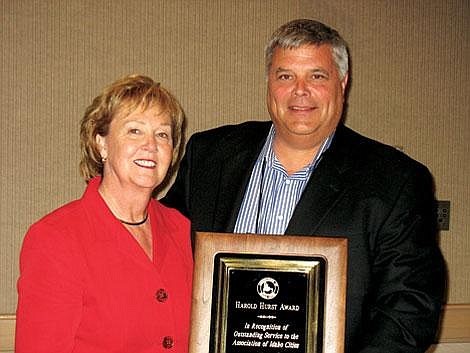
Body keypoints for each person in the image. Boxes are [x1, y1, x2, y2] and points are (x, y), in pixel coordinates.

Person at [162, 19, 445, 352]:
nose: (300, 91)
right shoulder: (209, 155)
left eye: (317, 76)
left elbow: (409, 309)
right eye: (285, 76)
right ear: (268, 82)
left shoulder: (395, 181)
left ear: (343, 82)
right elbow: (162, 251)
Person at [16, 74, 193, 353]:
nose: (151, 145)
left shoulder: (181, 229)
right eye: (135, 130)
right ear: (101, 143)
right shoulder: (55, 239)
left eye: (163, 134)